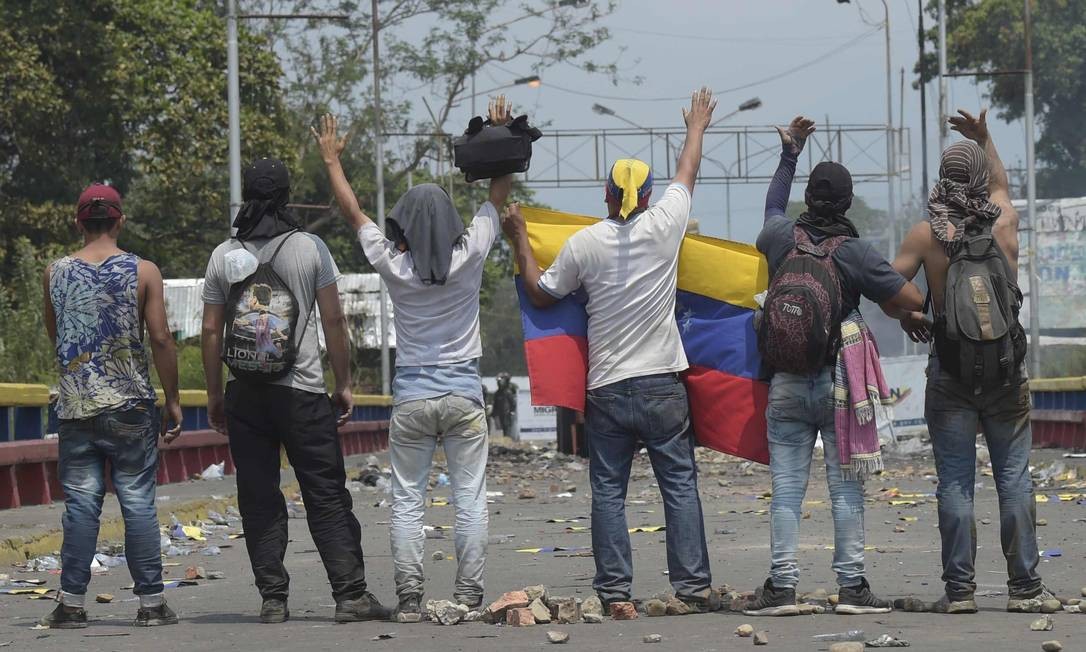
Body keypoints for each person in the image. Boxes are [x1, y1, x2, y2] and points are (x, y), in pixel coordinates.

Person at [503, 87, 719, 613]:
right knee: (679, 487)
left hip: (606, 388)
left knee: (607, 491)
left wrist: (519, 240)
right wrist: (695, 127)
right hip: (663, 384)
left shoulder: (583, 243)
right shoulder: (666, 226)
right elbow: (687, 173)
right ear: (646, 198)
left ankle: (615, 591)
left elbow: (541, 292)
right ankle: (690, 587)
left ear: (605, 196)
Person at [312, 98, 514, 622]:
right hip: (464, 397)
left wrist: (333, 160)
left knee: (407, 501)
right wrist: (496, 135)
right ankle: (468, 595)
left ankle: (407, 598)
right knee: (469, 497)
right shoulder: (468, 257)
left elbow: (354, 212)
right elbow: (497, 195)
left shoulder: (394, 265)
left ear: (402, 224)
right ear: (450, 221)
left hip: (413, 399)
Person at [744, 117, 923, 617]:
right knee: (846, 490)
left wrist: (789, 153)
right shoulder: (856, 252)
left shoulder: (781, 236)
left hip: (784, 383)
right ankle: (851, 589)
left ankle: (782, 588)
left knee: (786, 491)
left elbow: (772, 207)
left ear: (809, 196)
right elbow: (907, 296)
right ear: (846, 203)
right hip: (840, 383)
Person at [201, 158, 388, 624]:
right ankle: (350, 596)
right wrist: (343, 383)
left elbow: (209, 331)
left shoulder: (224, 253)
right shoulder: (310, 248)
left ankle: (273, 599)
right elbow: (334, 320)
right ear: (287, 196)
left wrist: (215, 395)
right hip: (302, 392)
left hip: (245, 392)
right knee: (325, 493)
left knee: (258, 495)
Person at [892, 109, 1051, 614]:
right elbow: (1000, 184)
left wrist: (911, 315)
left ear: (943, 179)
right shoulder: (1003, 222)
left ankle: (960, 592)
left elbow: (888, 286)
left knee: (956, 482)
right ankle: (1025, 589)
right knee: (1015, 479)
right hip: (1006, 371)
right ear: (980, 179)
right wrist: (984, 137)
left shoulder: (926, 234)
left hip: (951, 372)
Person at [40, 183, 183, 628]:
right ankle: (152, 605)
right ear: (120, 220)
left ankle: (71, 603)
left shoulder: (54, 273)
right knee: (138, 500)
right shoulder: (144, 271)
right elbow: (160, 338)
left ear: (78, 222)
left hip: (77, 406)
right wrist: (173, 400)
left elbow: (58, 336)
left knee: (81, 503)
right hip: (130, 406)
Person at [491, 372, 518, 437]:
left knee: (508, 426)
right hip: (501, 412)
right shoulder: (497, 393)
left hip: (508, 412)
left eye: (502, 381)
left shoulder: (509, 391)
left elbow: (513, 402)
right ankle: (506, 437)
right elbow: (495, 404)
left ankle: (508, 438)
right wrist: (494, 413)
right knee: (503, 427)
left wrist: (512, 411)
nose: (500, 382)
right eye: (499, 381)